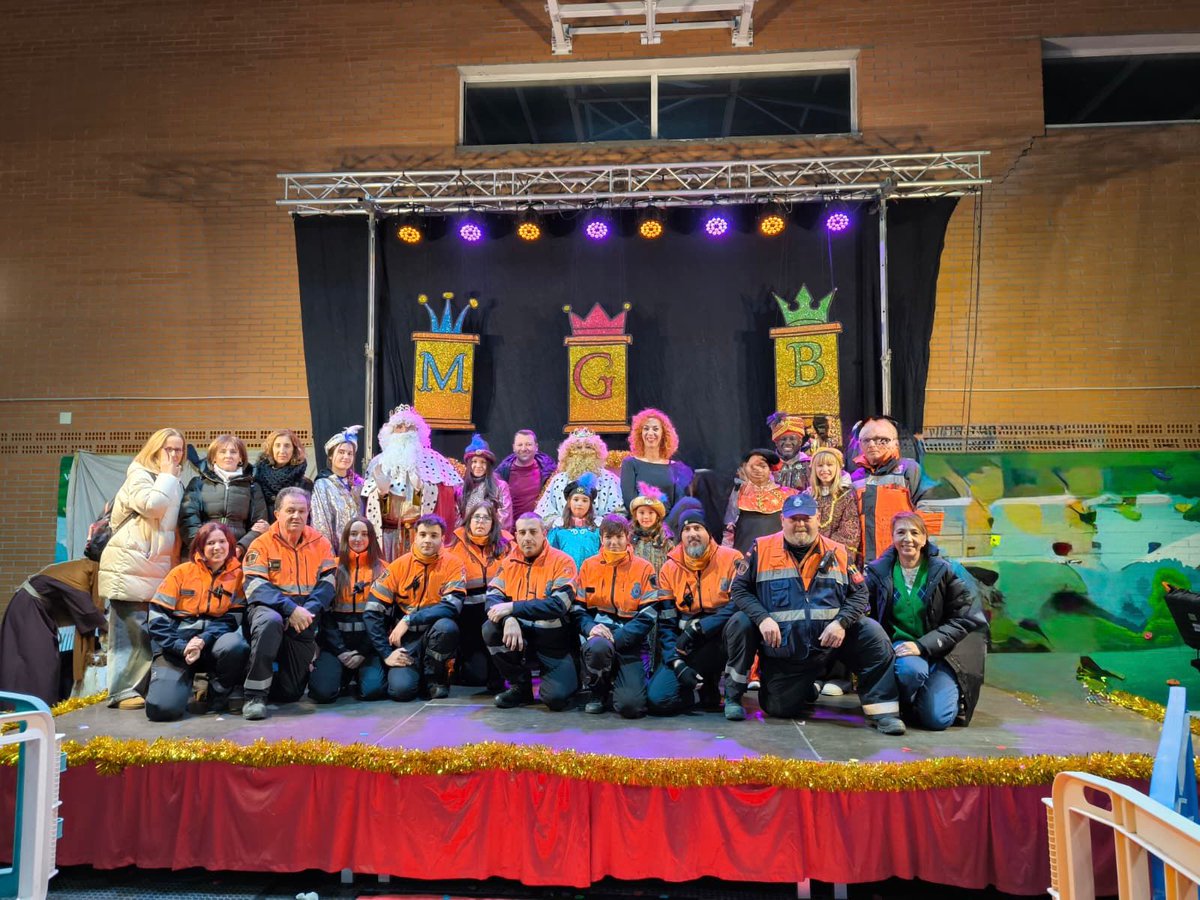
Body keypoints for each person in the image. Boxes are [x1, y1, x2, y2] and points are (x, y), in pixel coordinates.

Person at [729, 493, 906, 734]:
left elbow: (860, 594)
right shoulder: (762, 548)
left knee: (872, 632)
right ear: (782, 520)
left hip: (833, 644)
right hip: (789, 654)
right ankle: (807, 686)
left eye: (806, 518)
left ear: (818, 519)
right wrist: (763, 618)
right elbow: (739, 589)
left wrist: (842, 623)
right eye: (794, 519)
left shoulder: (838, 551)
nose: (800, 524)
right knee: (778, 707)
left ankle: (884, 713)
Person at [867, 511, 987, 730]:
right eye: (901, 532)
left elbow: (964, 618)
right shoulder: (879, 572)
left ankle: (922, 701)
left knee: (937, 720)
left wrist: (922, 645)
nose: (908, 539)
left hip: (944, 653)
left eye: (914, 532)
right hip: (902, 649)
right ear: (892, 537)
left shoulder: (945, 571)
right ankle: (904, 702)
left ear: (924, 538)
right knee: (911, 671)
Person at [99, 427, 186, 710]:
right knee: (129, 628)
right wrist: (167, 475)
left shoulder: (174, 481)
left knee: (148, 629)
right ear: (155, 450)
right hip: (131, 561)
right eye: (168, 449)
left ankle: (141, 687)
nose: (174, 455)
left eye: (178, 450)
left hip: (157, 565)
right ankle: (121, 691)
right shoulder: (140, 474)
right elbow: (152, 505)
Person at [647, 498, 754, 720]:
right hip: (690, 646)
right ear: (680, 536)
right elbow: (666, 623)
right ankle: (698, 692)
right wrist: (677, 664)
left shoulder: (732, 558)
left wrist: (699, 627)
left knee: (743, 621)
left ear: (708, 533)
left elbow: (739, 602)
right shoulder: (669, 568)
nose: (692, 534)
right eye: (686, 529)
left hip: (723, 640)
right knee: (658, 700)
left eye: (697, 528)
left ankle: (732, 697)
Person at [241, 487, 337, 720]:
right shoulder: (261, 544)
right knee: (270, 623)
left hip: (305, 613)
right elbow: (254, 585)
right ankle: (254, 696)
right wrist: (289, 609)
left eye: (301, 511)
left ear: (308, 513)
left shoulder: (320, 542)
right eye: (290, 510)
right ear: (277, 514)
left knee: (291, 693)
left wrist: (306, 612)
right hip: (269, 609)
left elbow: (329, 582)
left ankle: (266, 686)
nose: (296, 516)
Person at [144, 522, 251, 721]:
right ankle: (171, 685)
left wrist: (203, 639)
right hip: (177, 648)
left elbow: (232, 619)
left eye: (222, 541)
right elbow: (157, 618)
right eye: (210, 543)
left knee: (236, 646)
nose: (217, 547)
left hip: (212, 644)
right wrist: (181, 647)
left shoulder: (239, 577)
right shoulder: (181, 572)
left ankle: (218, 693)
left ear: (230, 545)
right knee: (161, 710)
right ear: (200, 547)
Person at [482, 512, 579, 711]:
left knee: (556, 700)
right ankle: (520, 688)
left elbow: (557, 606)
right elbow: (492, 597)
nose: (527, 538)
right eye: (522, 532)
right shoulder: (509, 562)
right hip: (521, 638)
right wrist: (508, 619)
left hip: (554, 643)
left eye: (533, 532)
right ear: (515, 535)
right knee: (490, 628)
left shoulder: (563, 562)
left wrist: (512, 608)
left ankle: (571, 673)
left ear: (544, 533)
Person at [365, 514, 465, 702]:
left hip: (434, 634)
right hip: (406, 640)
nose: (428, 540)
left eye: (434, 535)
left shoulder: (454, 564)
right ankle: (414, 673)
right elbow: (372, 611)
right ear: (415, 537)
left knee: (447, 626)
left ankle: (434, 679)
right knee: (401, 692)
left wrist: (409, 618)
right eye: (423, 534)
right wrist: (386, 653)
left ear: (442, 539)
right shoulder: (398, 566)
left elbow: (452, 607)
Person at [573, 514, 658, 717]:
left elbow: (649, 615)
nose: (613, 542)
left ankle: (620, 683)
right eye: (608, 537)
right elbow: (577, 609)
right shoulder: (588, 566)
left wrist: (617, 639)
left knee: (632, 707)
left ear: (627, 537)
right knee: (599, 647)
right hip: (598, 638)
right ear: (601, 538)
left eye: (618, 536)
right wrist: (590, 628)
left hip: (630, 641)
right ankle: (598, 691)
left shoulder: (644, 568)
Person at [362, 405, 461, 561]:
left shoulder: (434, 460)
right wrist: (382, 494)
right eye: (399, 427)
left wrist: (422, 489)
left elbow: (448, 499)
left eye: (410, 427)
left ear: (419, 432)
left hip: (420, 535)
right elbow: (370, 508)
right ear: (390, 433)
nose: (404, 431)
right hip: (388, 536)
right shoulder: (378, 462)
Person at [0, 559, 106, 705]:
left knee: (41, 660)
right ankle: (25, 708)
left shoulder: (80, 568)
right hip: (27, 611)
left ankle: (37, 706)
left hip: (33, 610)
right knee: (38, 661)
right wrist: (108, 626)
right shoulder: (80, 573)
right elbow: (87, 611)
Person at [308, 517, 388, 704]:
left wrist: (362, 652)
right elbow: (325, 616)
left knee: (373, 691)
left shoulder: (384, 570)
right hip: (336, 647)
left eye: (364, 534)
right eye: (353, 534)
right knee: (321, 693)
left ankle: (359, 675)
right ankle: (341, 676)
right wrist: (341, 651)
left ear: (372, 538)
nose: (358, 538)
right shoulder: (331, 568)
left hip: (369, 648)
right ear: (345, 537)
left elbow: (384, 620)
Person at [447, 500, 511, 691]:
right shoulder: (453, 546)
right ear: (468, 520)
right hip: (468, 620)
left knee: (497, 677)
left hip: (497, 616)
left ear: (493, 522)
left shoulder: (508, 545)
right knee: (477, 677)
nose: (481, 522)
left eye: (486, 517)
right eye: (476, 517)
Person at [179, 434, 269, 556]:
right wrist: (202, 547)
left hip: (237, 555)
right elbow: (188, 519)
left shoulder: (252, 487)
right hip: (202, 552)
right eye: (222, 452)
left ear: (241, 458)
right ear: (214, 457)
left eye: (233, 452)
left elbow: (259, 525)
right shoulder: (198, 483)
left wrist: (239, 548)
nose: (228, 456)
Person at [534, 428, 624, 524]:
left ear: (598, 453)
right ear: (568, 453)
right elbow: (543, 514)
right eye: (578, 447)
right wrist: (564, 523)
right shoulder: (558, 480)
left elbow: (619, 513)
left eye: (588, 447)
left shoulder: (609, 479)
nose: (583, 451)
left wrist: (595, 523)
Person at [723, 448, 797, 554]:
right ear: (744, 468)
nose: (758, 470)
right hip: (744, 557)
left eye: (763, 466)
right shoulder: (737, 492)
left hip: (777, 556)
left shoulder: (788, 494)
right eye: (753, 467)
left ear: (769, 470)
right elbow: (729, 529)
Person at [619, 408, 693, 512]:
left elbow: (679, 506)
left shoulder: (676, 468)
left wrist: (666, 526)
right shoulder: (630, 464)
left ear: (663, 434)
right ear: (639, 433)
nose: (650, 433)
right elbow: (629, 501)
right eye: (646, 428)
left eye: (655, 429)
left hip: (669, 525)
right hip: (639, 523)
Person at [310, 425, 365, 554]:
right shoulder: (323, 484)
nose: (346, 456)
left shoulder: (359, 483)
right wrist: (329, 556)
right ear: (330, 455)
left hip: (361, 549)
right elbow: (321, 523)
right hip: (338, 553)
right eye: (341, 452)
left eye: (350, 453)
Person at [803, 447, 861, 564]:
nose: (825, 469)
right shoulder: (806, 496)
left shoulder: (847, 495)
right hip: (808, 554)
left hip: (834, 556)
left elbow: (849, 531)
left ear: (838, 468)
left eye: (829, 465)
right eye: (820, 466)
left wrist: (825, 552)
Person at [494, 429, 556, 522]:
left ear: (536, 447)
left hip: (537, 529)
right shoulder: (502, 473)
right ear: (513, 447)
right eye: (520, 445)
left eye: (528, 444)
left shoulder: (549, 471)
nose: (524, 448)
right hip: (510, 530)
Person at [253, 429, 313, 521]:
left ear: (294, 450)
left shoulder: (305, 484)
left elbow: (307, 517)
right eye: (277, 445)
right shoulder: (256, 476)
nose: (282, 450)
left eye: (287, 446)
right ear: (271, 449)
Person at [457, 434, 513, 531]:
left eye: (483, 462)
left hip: (493, 538)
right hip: (466, 537)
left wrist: (490, 535)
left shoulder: (500, 486)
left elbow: (505, 517)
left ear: (488, 465)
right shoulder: (461, 489)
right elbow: (456, 518)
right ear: (469, 464)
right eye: (474, 461)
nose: (478, 466)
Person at [547, 474, 601, 569]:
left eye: (585, 500)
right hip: (565, 577)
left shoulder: (598, 529)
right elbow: (550, 556)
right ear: (569, 502)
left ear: (590, 504)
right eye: (576, 500)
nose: (579, 504)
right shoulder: (558, 529)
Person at [629, 484, 676, 573]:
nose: (646, 517)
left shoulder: (665, 540)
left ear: (657, 516)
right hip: (635, 585)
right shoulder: (629, 538)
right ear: (635, 515)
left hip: (659, 585)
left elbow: (672, 567)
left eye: (651, 513)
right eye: (642, 513)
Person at [766, 412, 811, 491]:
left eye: (792, 439)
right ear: (776, 442)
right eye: (783, 439)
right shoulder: (767, 465)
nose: (787, 443)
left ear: (800, 442)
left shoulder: (810, 464)